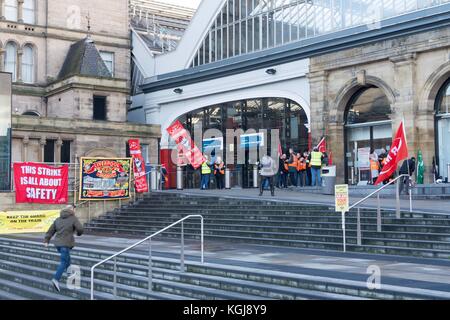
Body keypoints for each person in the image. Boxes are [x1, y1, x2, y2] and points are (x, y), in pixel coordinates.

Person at [44, 205, 84, 292]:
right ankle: (56, 279)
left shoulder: (58, 219)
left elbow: (51, 230)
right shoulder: (73, 218)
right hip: (65, 244)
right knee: (63, 262)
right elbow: (80, 229)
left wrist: (46, 240)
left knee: (67, 259)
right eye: (74, 209)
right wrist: (79, 234)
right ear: (71, 210)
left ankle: (70, 275)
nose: (75, 211)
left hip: (58, 244)